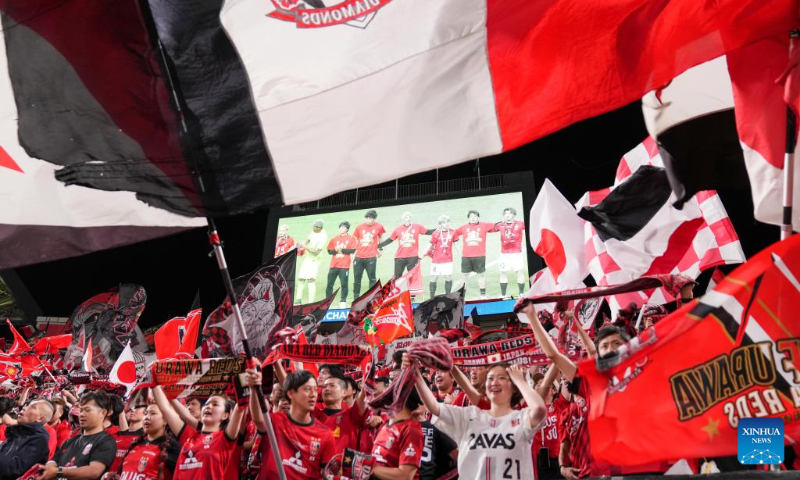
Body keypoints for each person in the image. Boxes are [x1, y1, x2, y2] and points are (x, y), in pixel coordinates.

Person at [408, 355, 547, 480]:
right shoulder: (469, 415)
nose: (494, 382)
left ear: (514, 387)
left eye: (502, 378)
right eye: (490, 378)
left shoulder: (522, 418)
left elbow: (539, 409)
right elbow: (434, 407)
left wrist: (520, 380)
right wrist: (415, 373)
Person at [246, 366, 336, 480]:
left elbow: (328, 474)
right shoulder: (275, 421)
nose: (313, 394)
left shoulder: (325, 434)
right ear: (291, 393)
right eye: (308, 389)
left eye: (315, 389)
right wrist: (254, 388)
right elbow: (258, 418)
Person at [152, 386, 244, 480]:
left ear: (225, 415)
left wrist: (243, 384)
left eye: (215, 404)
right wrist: (154, 383)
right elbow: (165, 409)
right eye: (207, 404)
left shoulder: (225, 439)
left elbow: (240, 408)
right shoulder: (190, 436)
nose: (209, 406)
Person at [36, 390, 118, 480]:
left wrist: (57, 472)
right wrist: (49, 467)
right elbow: (53, 461)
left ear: (103, 413)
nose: (81, 414)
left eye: (87, 410)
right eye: (81, 410)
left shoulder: (106, 441)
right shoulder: (70, 441)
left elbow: (93, 472)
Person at [112, 404, 180, 480]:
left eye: (153, 413)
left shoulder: (171, 446)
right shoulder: (136, 443)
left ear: (165, 420)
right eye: (145, 413)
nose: (147, 417)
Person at [371, 387, 424, 480]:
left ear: (400, 398)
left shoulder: (411, 429)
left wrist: (369, 466)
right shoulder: (384, 425)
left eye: (389, 392)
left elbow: (405, 476)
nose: (384, 393)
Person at [313, 374, 367, 456]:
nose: (327, 388)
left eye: (332, 386)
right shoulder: (312, 414)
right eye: (324, 386)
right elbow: (290, 393)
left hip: (342, 467)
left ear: (344, 392)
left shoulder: (352, 415)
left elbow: (365, 392)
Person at [0, 399, 53, 479]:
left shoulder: (39, 440)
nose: (24, 408)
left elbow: (13, 469)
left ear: (40, 419)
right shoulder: (19, 433)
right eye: (27, 405)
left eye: (33, 407)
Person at [455, 210, 498, 299]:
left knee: (481, 275)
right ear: (468, 218)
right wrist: (456, 244)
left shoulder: (484, 225)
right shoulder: (464, 227)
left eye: (475, 216)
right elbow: (454, 234)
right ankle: (461, 296)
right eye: (471, 217)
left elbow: (497, 227)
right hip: (466, 257)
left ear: (478, 217)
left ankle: (483, 295)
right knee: (464, 277)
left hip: (480, 256)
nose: (473, 218)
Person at [378, 212, 433, 278]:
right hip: (400, 257)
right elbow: (390, 239)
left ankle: (411, 288)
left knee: (412, 277)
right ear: (403, 219)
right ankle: (396, 288)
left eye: (410, 217)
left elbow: (428, 232)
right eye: (406, 217)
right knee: (397, 277)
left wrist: (439, 229)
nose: (408, 218)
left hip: (413, 257)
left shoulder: (417, 227)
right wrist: (379, 245)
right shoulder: (398, 229)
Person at [491, 207, 527, 298]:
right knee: (503, 273)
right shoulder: (500, 225)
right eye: (505, 214)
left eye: (509, 213)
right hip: (504, 254)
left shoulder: (520, 224)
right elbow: (489, 229)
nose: (507, 215)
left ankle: (521, 294)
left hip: (517, 253)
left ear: (514, 215)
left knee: (520, 272)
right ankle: (503, 295)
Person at [420, 215, 458, 299]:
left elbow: (456, 245)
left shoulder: (453, 232)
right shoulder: (436, 233)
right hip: (436, 260)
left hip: (448, 260)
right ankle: (431, 297)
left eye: (448, 222)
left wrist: (462, 254)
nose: (447, 224)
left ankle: (448, 296)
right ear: (440, 224)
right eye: (444, 223)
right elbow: (430, 244)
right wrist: (423, 254)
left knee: (448, 276)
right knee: (434, 277)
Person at [352, 210, 386, 299]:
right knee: (357, 279)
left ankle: (372, 297)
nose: (368, 220)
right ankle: (356, 297)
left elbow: (381, 237)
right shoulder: (359, 227)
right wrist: (353, 254)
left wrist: (381, 248)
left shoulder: (379, 227)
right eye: (367, 218)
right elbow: (355, 240)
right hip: (359, 257)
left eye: (370, 218)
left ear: (374, 219)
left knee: (372, 279)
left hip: (371, 257)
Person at [326, 221, 358, 309]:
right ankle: (327, 301)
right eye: (341, 227)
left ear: (347, 229)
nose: (342, 229)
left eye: (344, 227)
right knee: (329, 284)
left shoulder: (352, 238)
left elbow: (352, 250)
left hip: (344, 266)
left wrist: (342, 250)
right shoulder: (334, 239)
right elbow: (329, 251)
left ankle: (343, 301)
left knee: (344, 284)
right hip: (334, 265)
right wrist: (336, 250)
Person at [296, 220, 328, 304]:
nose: (313, 228)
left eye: (315, 227)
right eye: (313, 226)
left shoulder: (323, 237)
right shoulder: (313, 231)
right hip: (308, 258)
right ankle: (298, 300)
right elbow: (308, 240)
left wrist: (305, 247)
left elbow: (316, 252)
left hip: (315, 259)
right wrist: (300, 246)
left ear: (320, 228)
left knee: (310, 279)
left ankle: (311, 302)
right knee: (301, 278)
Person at [109, 404, 146, 473]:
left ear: (146, 413)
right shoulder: (116, 435)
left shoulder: (145, 438)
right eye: (131, 408)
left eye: (137, 408)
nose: (132, 410)